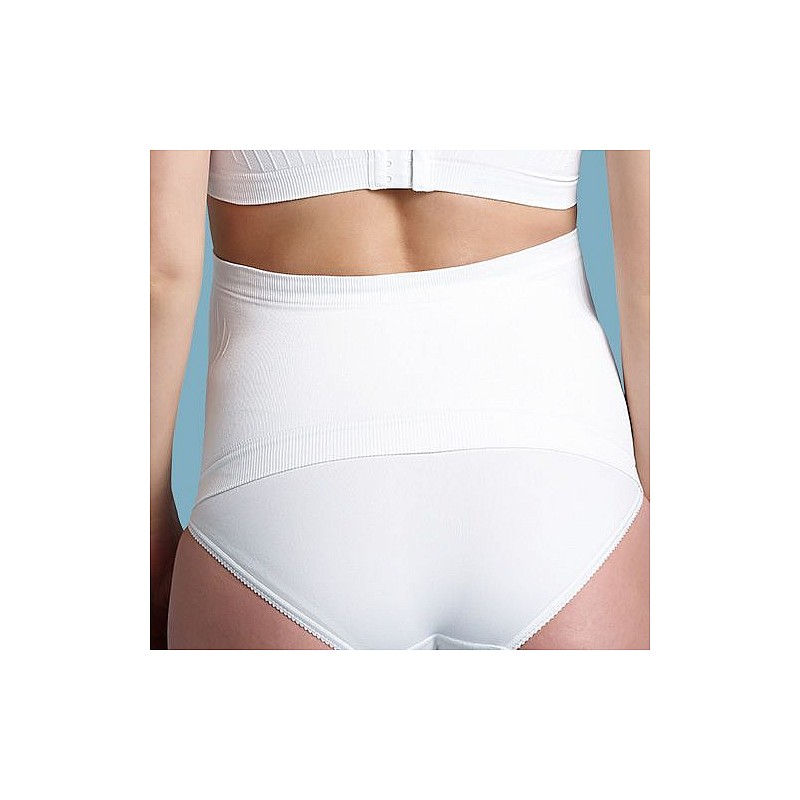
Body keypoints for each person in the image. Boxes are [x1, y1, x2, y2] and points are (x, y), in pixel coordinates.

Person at [150, 150, 650, 650]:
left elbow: (158, 275)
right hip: (563, 483)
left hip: (281, 494)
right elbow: (652, 275)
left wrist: (147, 541)